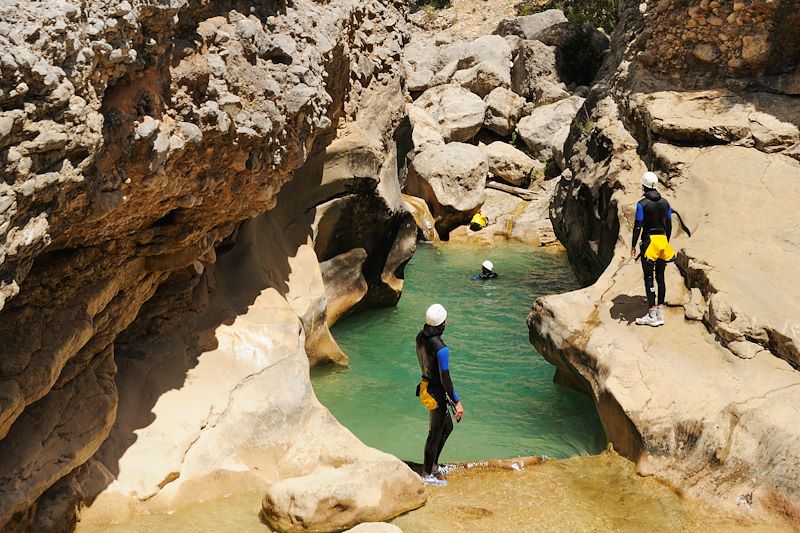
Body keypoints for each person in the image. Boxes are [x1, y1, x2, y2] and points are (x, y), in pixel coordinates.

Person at [415, 303, 464, 486]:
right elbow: (446, 379)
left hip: (427, 386)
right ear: (442, 324)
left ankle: (434, 466)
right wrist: (457, 402)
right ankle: (426, 474)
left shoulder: (420, 337)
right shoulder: (441, 349)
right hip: (436, 392)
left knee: (446, 427)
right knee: (435, 433)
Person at [630, 171, 675, 326]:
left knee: (649, 277)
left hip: (649, 243)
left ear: (644, 185)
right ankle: (660, 314)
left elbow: (638, 226)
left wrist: (633, 245)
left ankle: (651, 315)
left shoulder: (641, 204)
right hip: (662, 241)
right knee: (660, 277)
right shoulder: (666, 203)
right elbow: (669, 225)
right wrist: (666, 242)